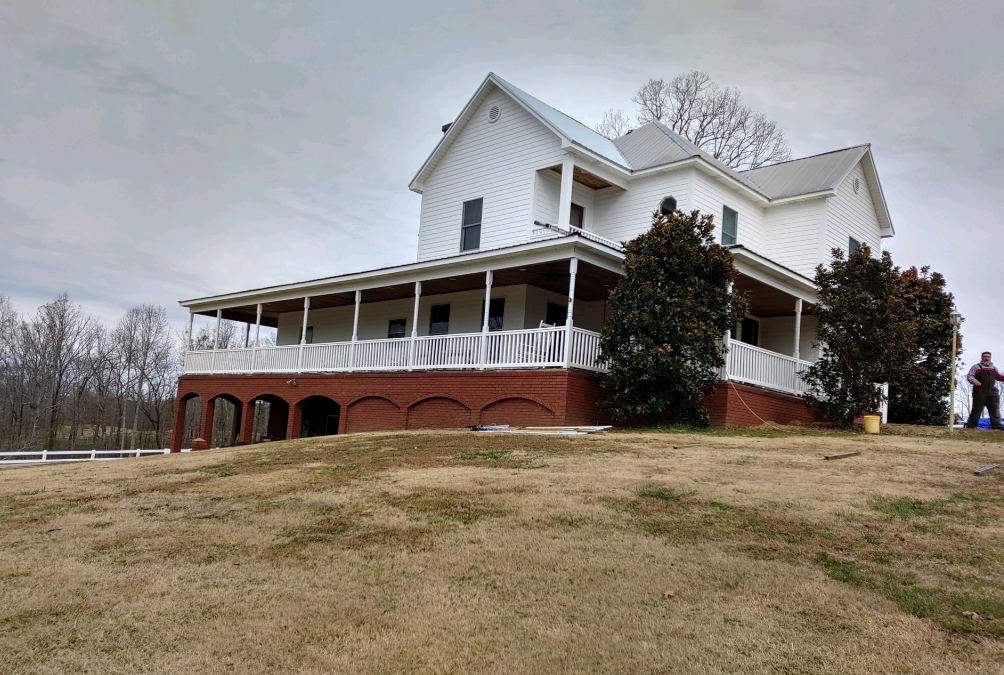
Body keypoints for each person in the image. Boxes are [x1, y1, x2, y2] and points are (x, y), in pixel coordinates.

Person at [965, 351, 1004, 430]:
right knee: (977, 409)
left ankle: (997, 427)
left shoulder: (993, 368)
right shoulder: (976, 367)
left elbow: (999, 377)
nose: (986, 358)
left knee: (994, 409)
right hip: (980, 392)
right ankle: (971, 426)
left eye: (988, 357)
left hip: (992, 392)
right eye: (985, 357)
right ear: (982, 357)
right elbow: (970, 376)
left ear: (990, 358)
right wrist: (975, 382)